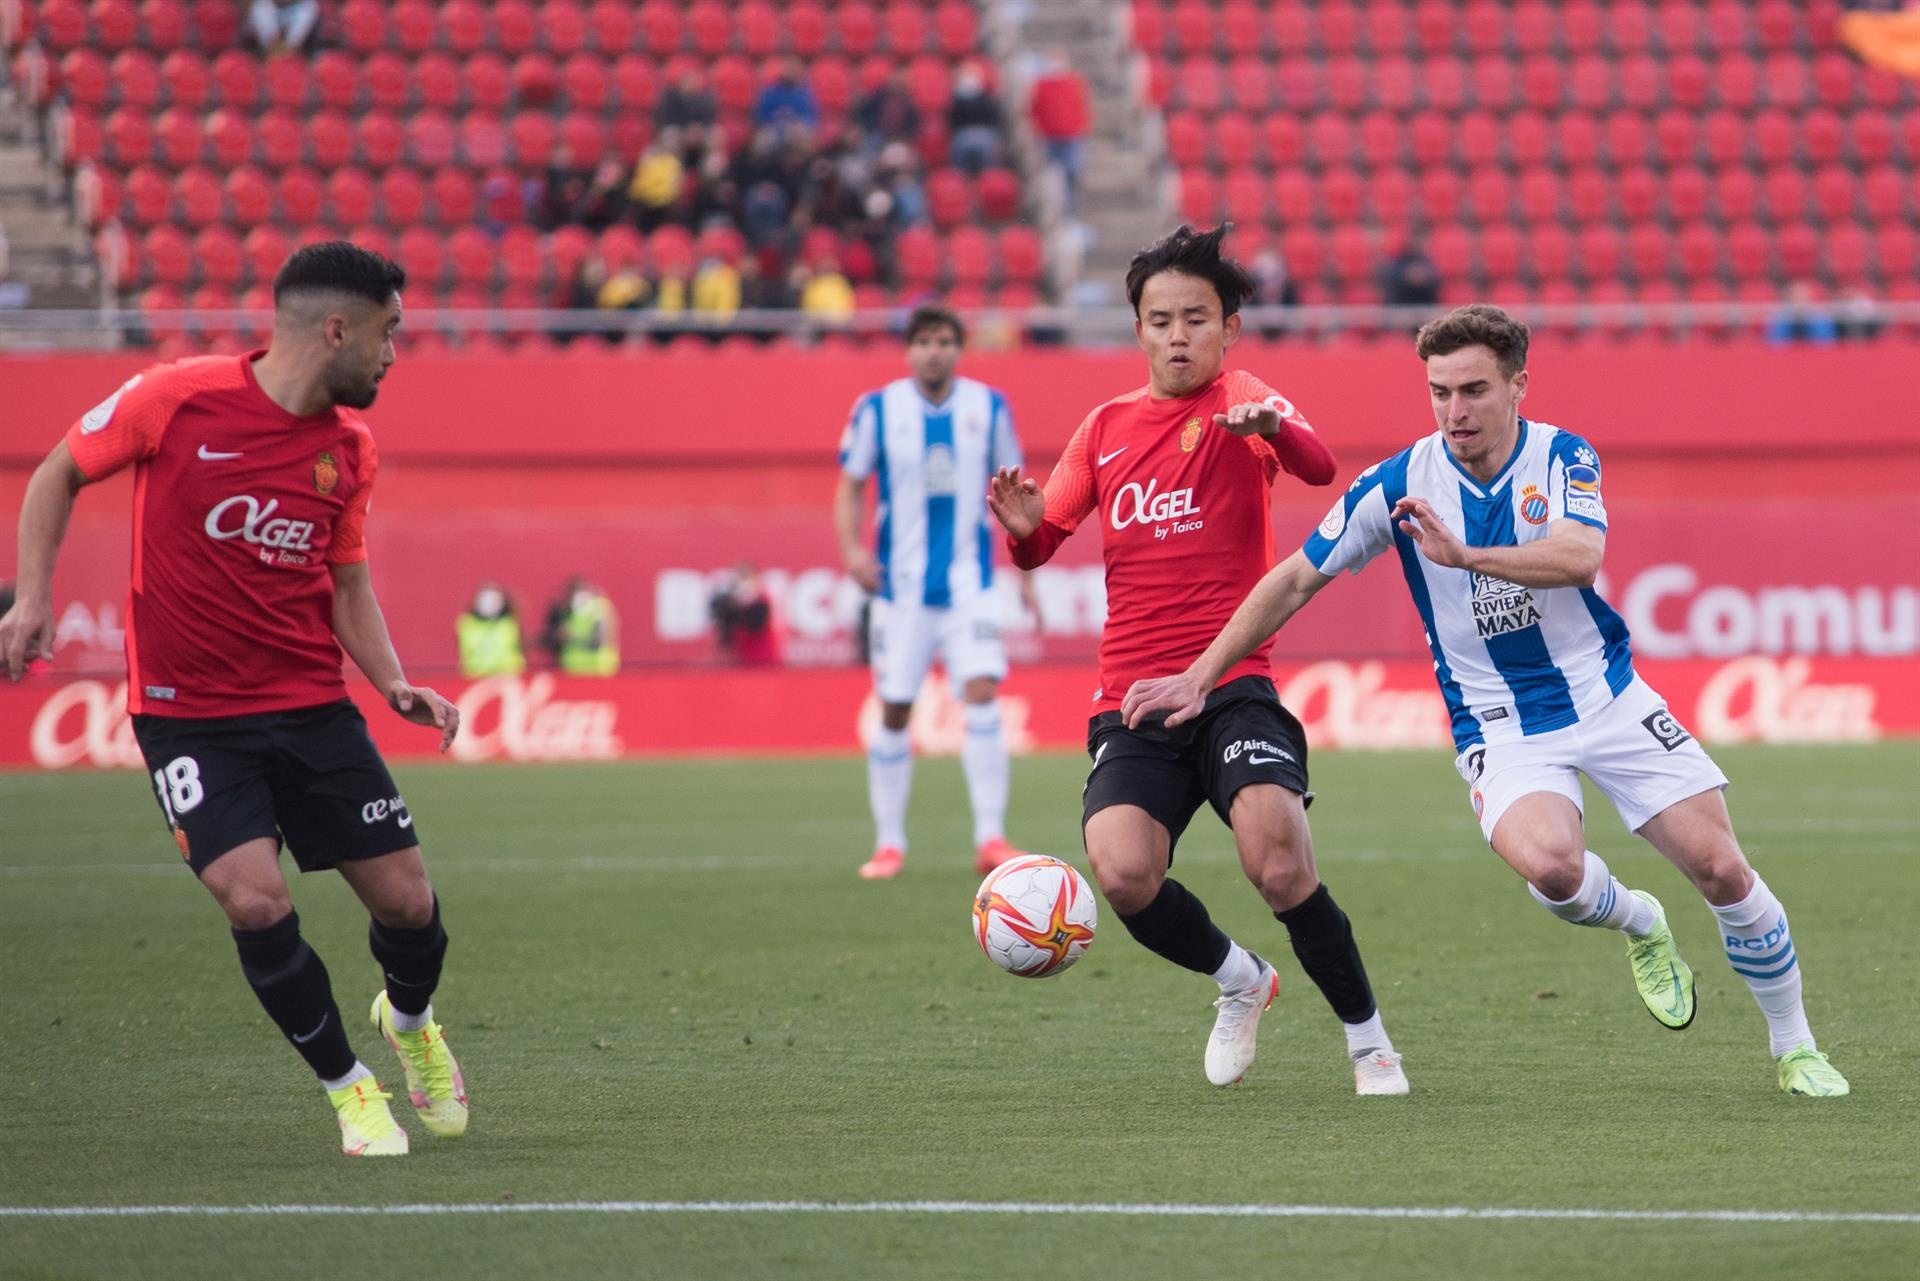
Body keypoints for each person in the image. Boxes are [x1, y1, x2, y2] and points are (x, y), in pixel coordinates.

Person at [1123, 303, 1850, 1099]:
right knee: (1554, 869)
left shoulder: (1563, 455)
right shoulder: (1398, 483)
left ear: (1517, 385)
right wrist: (1200, 675)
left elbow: (1580, 556)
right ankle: (1640, 920)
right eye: (1439, 392)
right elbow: (1296, 576)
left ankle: (1796, 1046)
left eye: (1472, 389)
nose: (1454, 410)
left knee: (1720, 868)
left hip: (1605, 697)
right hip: (1500, 725)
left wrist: (1466, 554)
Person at [0, 242, 471, 1157]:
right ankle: (350, 1090)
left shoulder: (350, 448)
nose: (393, 354)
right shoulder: (174, 397)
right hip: (188, 716)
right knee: (254, 903)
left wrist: (392, 682)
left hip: (310, 707)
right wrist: (33, 595)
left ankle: (409, 1024)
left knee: (409, 906)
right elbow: (55, 472)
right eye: (388, 333)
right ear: (336, 329)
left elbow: (345, 584)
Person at [985, 224, 1408, 1096]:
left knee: (1279, 859)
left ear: (1230, 328)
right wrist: (1026, 531)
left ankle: (1370, 1041)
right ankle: (1240, 978)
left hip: (1231, 684)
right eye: (1160, 319)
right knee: (1123, 873)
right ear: (1137, 329)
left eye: (1196, 319)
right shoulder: (1103, 427)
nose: (1178, 335)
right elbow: (1043, 541)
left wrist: (1275, 431)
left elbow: (1323, 467)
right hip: (1133, 696)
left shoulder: (1243, 397)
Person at [836, 303, 1038, 880]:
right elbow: (849, 485)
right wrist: (852, 550)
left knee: (981, 691)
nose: (935, 350)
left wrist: (1027, 577)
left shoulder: (988, 406)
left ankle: (991, 837)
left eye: (945, 340)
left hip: (970, 584)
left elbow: (1017, 493)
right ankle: (890, 842)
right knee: (897, 707)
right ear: (909, 349)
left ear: (958, 348)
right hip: (900, 591)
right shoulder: (877, 409)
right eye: (924, 340)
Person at [1027, 51, 1091, 213]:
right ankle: (1055, 210)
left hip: (1071, 135)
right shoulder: (1041, 84)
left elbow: (1081, 106)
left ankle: (1071, 208)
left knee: (1072, 172)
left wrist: (1082, 128)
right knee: (1053, 177)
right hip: (1050, 137)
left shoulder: (1073, 82)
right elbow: (1034, 109)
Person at [709, 562, 784, 666]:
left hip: (764, 658)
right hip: (743, 658)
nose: (742, 582)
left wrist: (740, 606)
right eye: (739, 577)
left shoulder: (762, 599)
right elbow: (724, 624)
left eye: (745, 576)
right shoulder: (731, 600)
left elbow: (757, 624)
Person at [542, 576, 619, 675]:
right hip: (572, 670)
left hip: (597, 670)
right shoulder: (565, 611)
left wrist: (570, 638)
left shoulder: (599, 608)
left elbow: (599, 641)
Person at [455, 581, 525, 678]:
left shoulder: (510, 623)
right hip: (475, 677)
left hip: (507, 677)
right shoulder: (467, 623)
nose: (490, 604)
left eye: (495, 600)